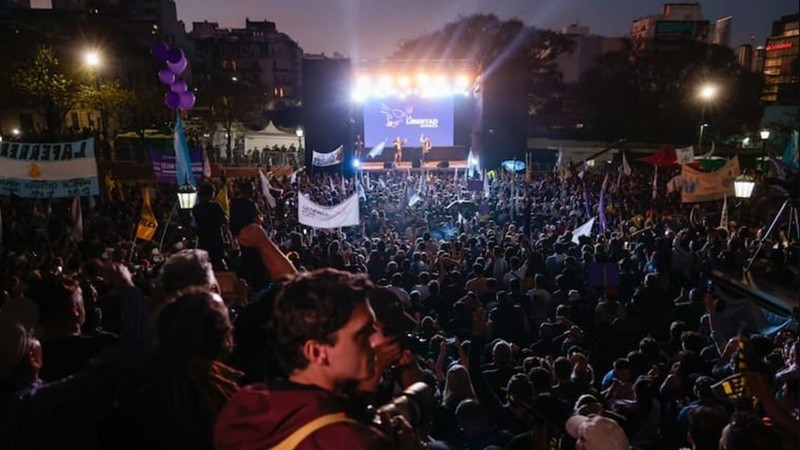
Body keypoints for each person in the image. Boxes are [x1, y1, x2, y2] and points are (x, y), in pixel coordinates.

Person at [214, 269, 421, 450]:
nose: (372, 343)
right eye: (362, 334)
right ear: (316, 352)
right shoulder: (352, 442)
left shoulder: (244, 411)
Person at [193, 183, 230, 271]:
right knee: (217, 262)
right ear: (211, 194)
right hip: (215, 238)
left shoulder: (197, 208)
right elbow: (224, 220)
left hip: (203, 238)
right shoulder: (215, 207)